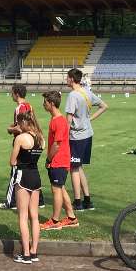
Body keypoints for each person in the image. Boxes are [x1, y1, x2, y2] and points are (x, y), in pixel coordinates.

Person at [65, 67, 107, 211]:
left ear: (71, 79)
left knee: (74, 169)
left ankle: (77, 202)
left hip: (76, 137)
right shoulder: (87, 92)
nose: (66, 80)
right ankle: (87, 200)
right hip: (88, 134)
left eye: (67, 77)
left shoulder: (72, 95)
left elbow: (68, 120)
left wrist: (62, 138)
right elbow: (103, 106)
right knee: (79, 166)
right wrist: (89, 120)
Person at [41, 91, 79, 230]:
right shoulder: (57, 119)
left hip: (58, 161)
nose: (43, 105)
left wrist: (49, 159)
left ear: (51, 104)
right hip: (60, 160)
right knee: (61, 189)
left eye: (45, 102)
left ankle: (54, 221)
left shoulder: (58, 121)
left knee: (56, 190)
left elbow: (57, 144)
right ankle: (71, 218)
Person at [10, 111, 44, 263]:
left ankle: (26, 254)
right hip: (36, 176)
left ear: (24, 122)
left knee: (23, 217)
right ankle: (34, 252)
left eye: (18, 123)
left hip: (23, 176)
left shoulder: (21, 138)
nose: (17, 126)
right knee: (34, 217)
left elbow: (12, 161)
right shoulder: (40, 138)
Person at [1, 84, 39, 210]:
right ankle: (40, 200)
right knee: (31, 167)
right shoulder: (29, 106)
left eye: (12, 93)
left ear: (16, 94)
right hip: (33, 140)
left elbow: (19, 127)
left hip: (22, 141)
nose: (11, 95)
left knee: (15, 171)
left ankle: (10, 202)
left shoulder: (19, 108)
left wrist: (9, 129)